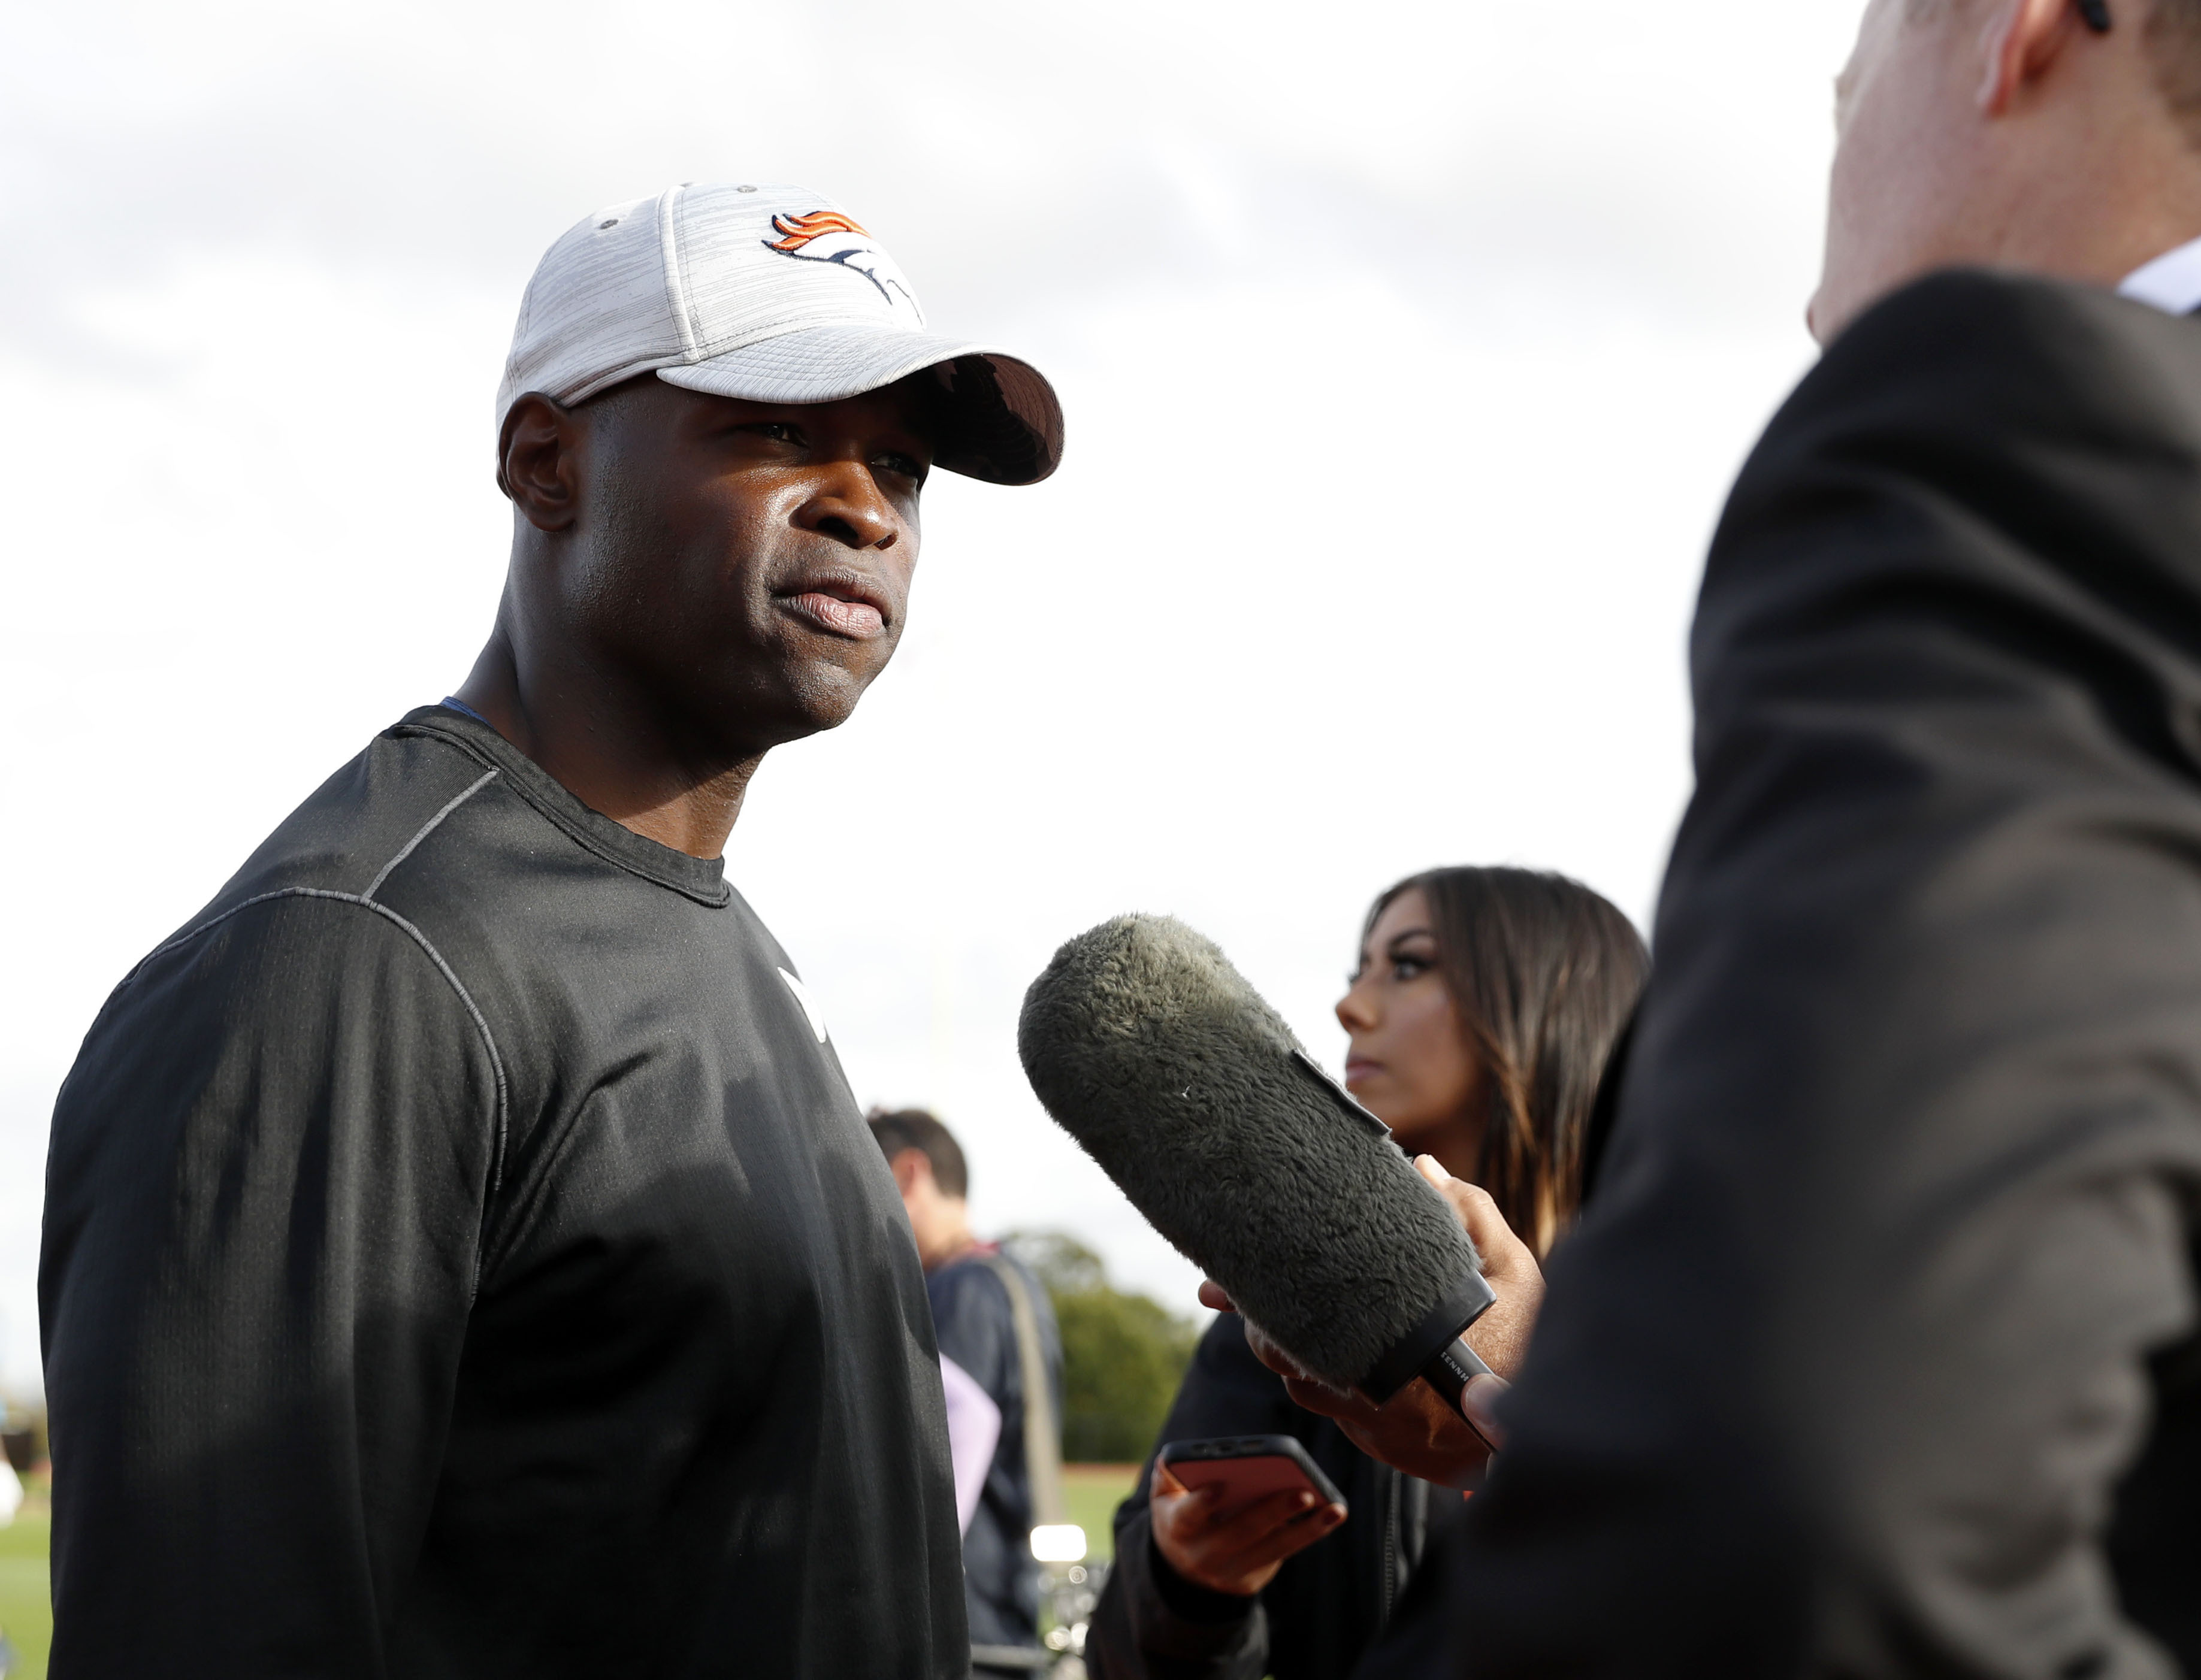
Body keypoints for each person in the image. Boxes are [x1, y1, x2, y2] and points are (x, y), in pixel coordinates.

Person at [40, 181, 1064, 1679]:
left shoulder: (733, 951)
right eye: (779, 430)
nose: (867, 503)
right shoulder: (356, 959)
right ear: (545, 461)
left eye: (900, 465)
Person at [1411, 2, 2201, 1673]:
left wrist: (1675, 1446)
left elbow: (1786, 1537)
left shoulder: (2031, 445)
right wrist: (1630, 1369)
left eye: (1847, 98)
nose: (1810, 249)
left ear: (2020, 31)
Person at [1086, 868, 1647, 1680]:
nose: (1350, 1007)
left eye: (1408, 965)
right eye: (1356, 969)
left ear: (1557, 1001)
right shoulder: (1270, 1317)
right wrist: (1190, 1590)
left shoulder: (1693, 1315)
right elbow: (1122, 1655)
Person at [870, 1109, 1066, 1678]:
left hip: (964, 1630)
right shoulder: (1009, 1277)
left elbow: (952, 1435)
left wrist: (893, 1579)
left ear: (909, 1174)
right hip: (1005, 1618)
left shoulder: (960, 1290)